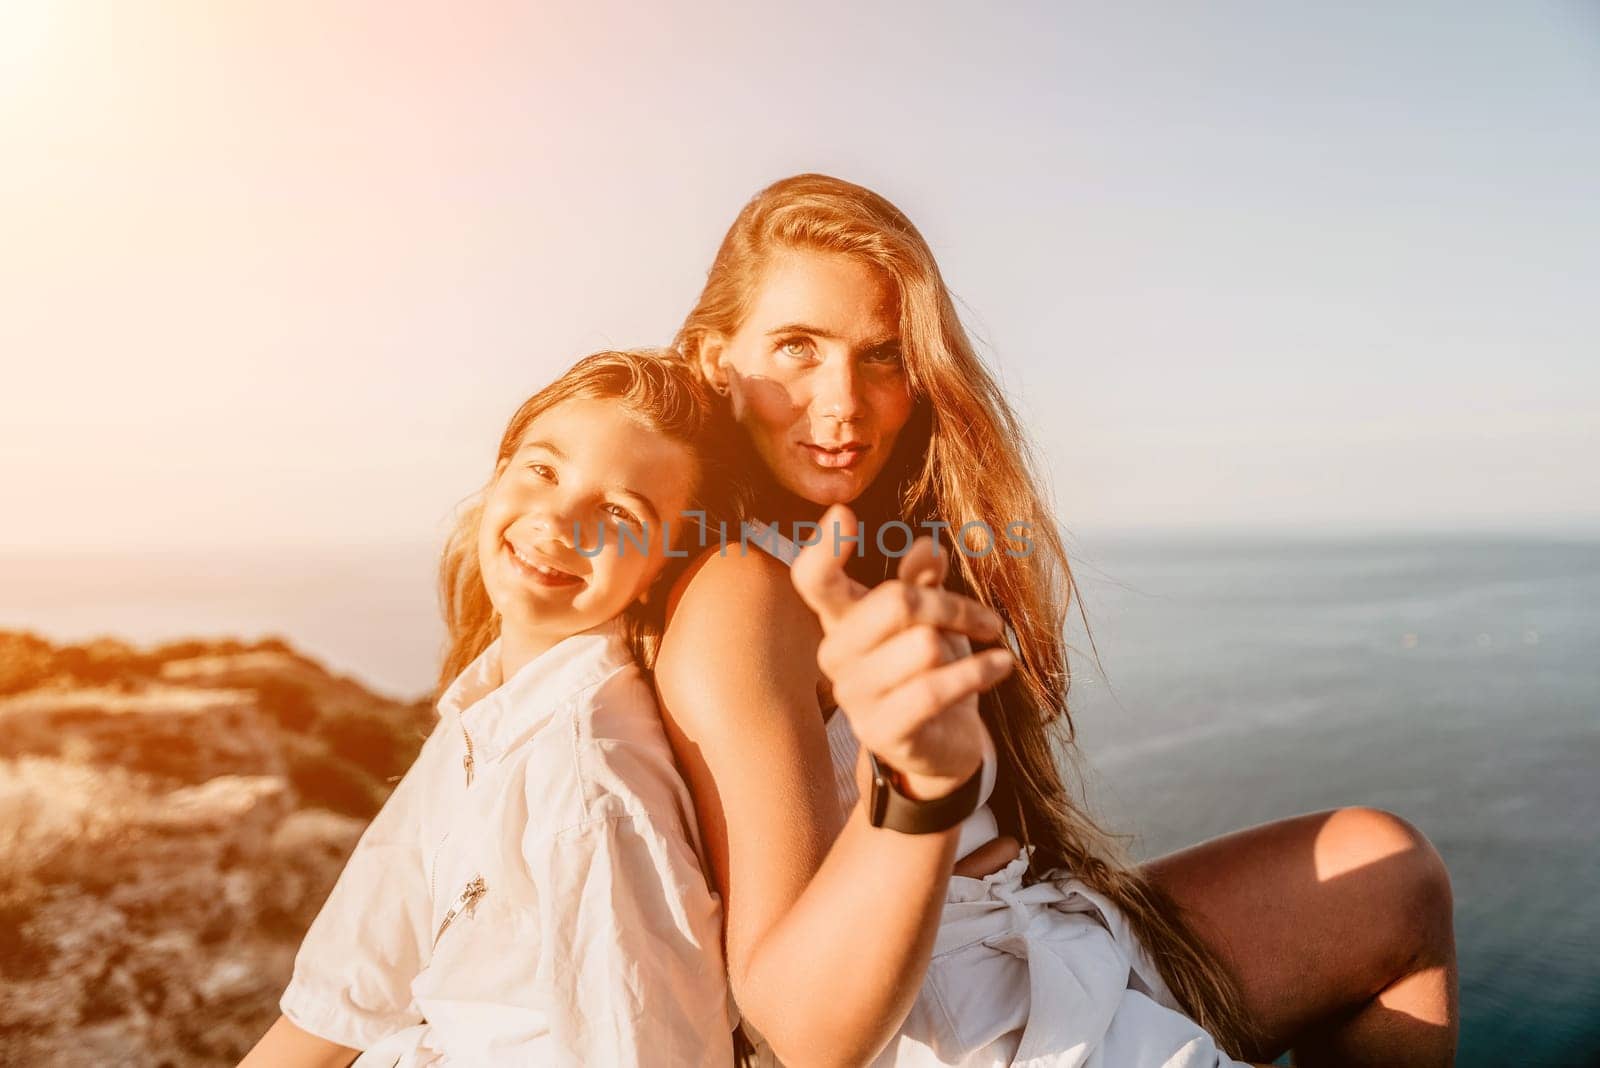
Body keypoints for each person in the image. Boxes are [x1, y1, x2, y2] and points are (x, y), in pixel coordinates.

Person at [653, 174, 1459, 1066]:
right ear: (712, 360)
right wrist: (920, 792)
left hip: (1036, 933)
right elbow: (793, 1031)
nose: (844, 400)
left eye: (881, 355)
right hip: (958, 1014)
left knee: (1390, 871)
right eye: (798, 347)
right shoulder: (742, 595)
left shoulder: (869, 546)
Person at [240, 350, 741, 1067]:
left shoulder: (590, 781)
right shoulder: (483, 716)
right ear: (499, 473)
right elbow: (341, 999)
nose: (560, 521)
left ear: (662, 562)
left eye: (619, 512)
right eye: (543, 469)